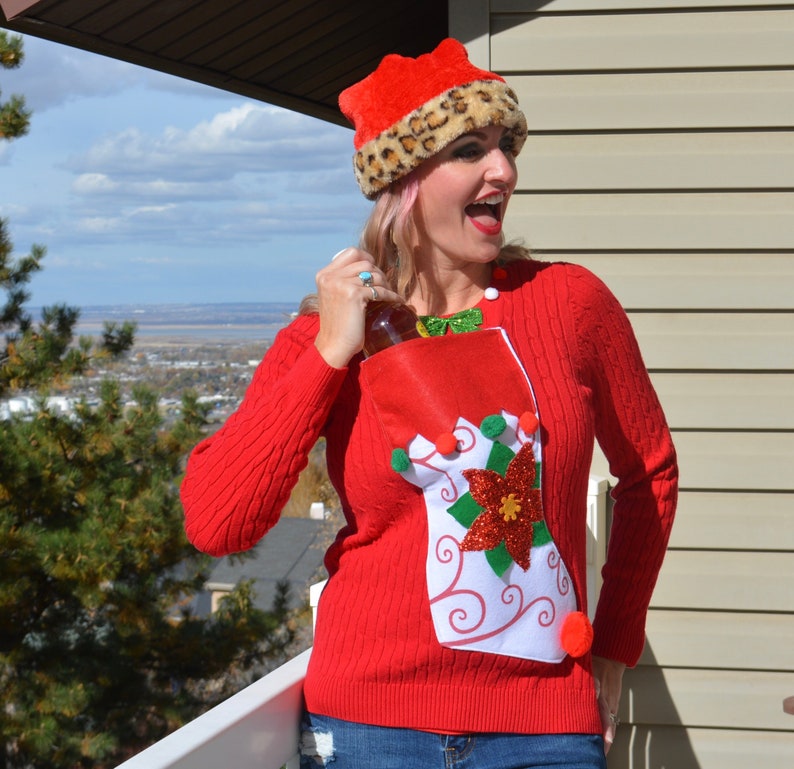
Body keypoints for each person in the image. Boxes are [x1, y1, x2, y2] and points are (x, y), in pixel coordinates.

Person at [181, 38, 677, 769]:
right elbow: (218, 521)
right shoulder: (325, 335)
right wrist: (328, 351)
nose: (503, 169)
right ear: (402, 178)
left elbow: (650, 473)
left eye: (507, 145)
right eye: (470, 148)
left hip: (545, 728)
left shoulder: (570, 305)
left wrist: (614, 642)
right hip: (367, 726)